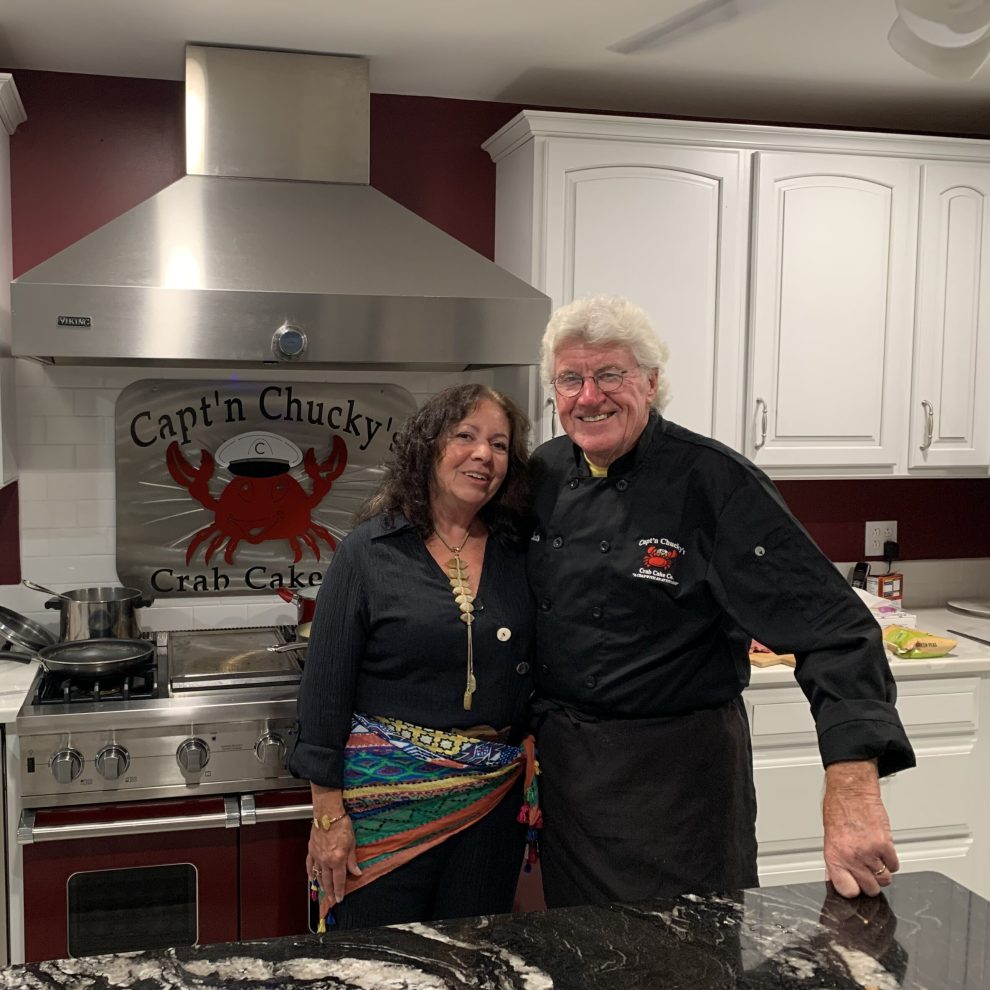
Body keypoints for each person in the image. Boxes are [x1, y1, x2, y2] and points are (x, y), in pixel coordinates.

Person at [527, 294, 916, 908]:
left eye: (610, 375)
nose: (589, 396)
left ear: (650, 382)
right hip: (568, 784)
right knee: (579, 948)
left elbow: (838, 632)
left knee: (690, 951)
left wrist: (852, 792)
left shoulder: (716, 483)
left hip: (681, 790)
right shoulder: (543, 473)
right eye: (570, 379)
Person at [288, 383, 538, 932]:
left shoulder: (520, 551)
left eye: (499, 444)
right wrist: (328, 817)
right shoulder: (369, 551)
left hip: (490, 805)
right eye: (465, 436)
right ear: (429, 447)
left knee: (471, 954)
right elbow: (325, 692)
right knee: (379, 961)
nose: (483, 454)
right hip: (383, 805)